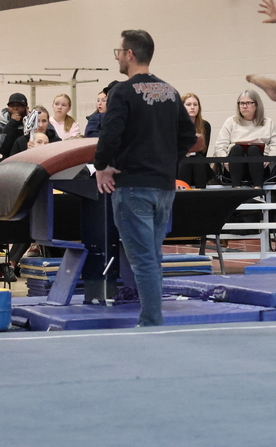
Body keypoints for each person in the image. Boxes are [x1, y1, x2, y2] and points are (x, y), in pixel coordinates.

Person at [94, 30, 198, 327]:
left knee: (142, 260)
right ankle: (152, 317)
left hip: (133, 185)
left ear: (130, 54)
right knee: (152, 256)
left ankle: (152, 320)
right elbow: (188, 136)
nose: (118, 56)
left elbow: (110, 134)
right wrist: (167, 161)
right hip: (164, 186)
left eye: (119, 51)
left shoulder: (123, 92)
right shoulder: (170, 92)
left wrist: (102, 165)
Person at [212, 90, 276, 188]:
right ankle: (236, 188)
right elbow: (220, 145)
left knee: (254, 149)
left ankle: (258, 189)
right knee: (237, 148)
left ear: (257, 105)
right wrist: (224, 160)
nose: (244, 106)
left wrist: (270, 158)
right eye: (242, 103)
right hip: (233, 167)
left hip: (261, 167)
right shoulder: (231, 122)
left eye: (248, 103)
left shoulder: (268, 123)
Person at [177, 93, 214, 189]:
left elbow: (203, 152)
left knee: (197, 158)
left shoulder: (205, 125)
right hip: (180, 162)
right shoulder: (174, 125)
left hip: (199, 162)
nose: (192, 107)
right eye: (188, 105)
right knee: (186, 160)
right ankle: (183, 196)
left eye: (195, 104)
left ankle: (201, 194)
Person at [0, 92, 29, 159]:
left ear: (26, 108)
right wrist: (12, 124)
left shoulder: (33, 123)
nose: (15, 108)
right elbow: (0, 147)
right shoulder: (0, 124)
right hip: (9, 162)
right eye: (12, 105)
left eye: (19, 105)